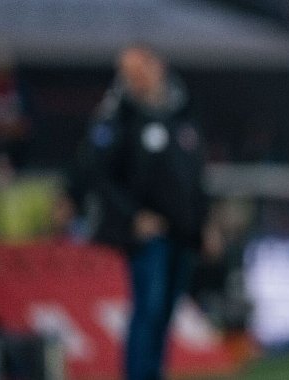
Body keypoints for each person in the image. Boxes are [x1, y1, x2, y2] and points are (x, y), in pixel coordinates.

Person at [73, 44, 207, 380]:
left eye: (140, 70)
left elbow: (195, 175)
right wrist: (132, 216)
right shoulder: (119, 117)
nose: (135, 79)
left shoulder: (180, 111)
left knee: (165, 312)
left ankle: (153, 373)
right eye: (128, 74)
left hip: (183, 232)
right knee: (148, 309)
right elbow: (98, 173)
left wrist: (204, 222)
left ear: (158, 66)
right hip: (149, 235)